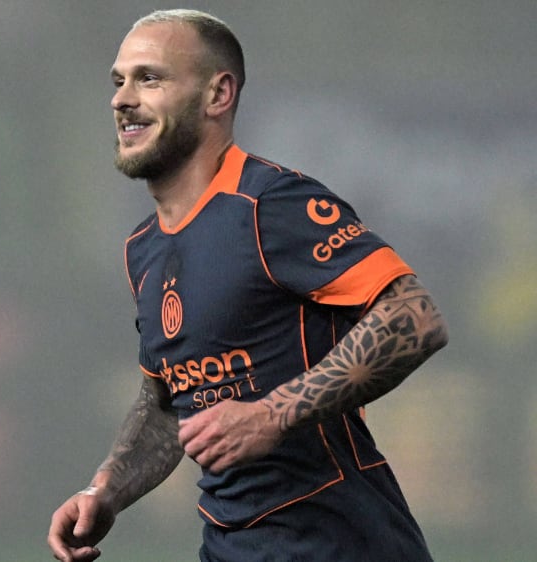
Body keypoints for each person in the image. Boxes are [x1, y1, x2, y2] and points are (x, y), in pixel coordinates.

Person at [48, 9, 448, 562]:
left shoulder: (269, 204)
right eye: (119, 81)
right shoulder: (142, 248)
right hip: (231, 547)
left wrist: (273, 413)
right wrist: (106, 491)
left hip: (341, 543)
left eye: (150, 78)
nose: (122, 99)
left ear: (218, 94)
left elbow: (414, 317)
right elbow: (169, 402)